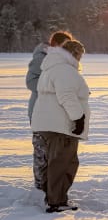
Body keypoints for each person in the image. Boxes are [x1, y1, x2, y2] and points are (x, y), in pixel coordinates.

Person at [31, 40, 90, 213]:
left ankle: (53, 198)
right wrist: (78, 118)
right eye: (80, 55)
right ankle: (56, 201)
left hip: (48, 123)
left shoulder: (52, 67)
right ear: (74, 54)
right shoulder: (65, 70)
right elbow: (67, 96)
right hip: (61, 126)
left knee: (57, 163)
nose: (80, 59)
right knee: (63, 163)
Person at [26, 31, 73, 191]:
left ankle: (51, 189)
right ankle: (40, 189)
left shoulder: (64, 61)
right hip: (39, 111)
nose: (67, 49)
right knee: (41, 153)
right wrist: (54, 85)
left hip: (54, 114)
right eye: (64, 45)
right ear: (55, 44)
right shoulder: (41, 57)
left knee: (54, 154)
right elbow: (31, 82)